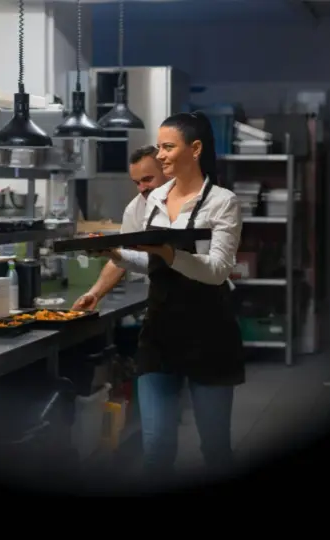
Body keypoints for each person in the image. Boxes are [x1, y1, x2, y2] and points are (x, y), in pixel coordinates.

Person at [103, 112, 245, 481]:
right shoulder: (155, 199)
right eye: (160, 146)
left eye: (168, 147)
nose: (161, 154)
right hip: (160, 333)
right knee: (157, 449)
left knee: (215, 450)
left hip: (209, 334)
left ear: (194, 149)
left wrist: (169, 254)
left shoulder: (222, 202)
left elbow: (216, 271)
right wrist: (115, 254)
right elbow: (152, 265)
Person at [71, 145, 169, 311]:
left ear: (166, 171)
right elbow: (123, 259)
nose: (142, 188)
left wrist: (115, 253)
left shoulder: (189, 203)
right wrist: (94, 294)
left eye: (147, 179)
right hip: (162, 301)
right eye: (137, 182)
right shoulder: (135, 209)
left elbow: (176, 261)